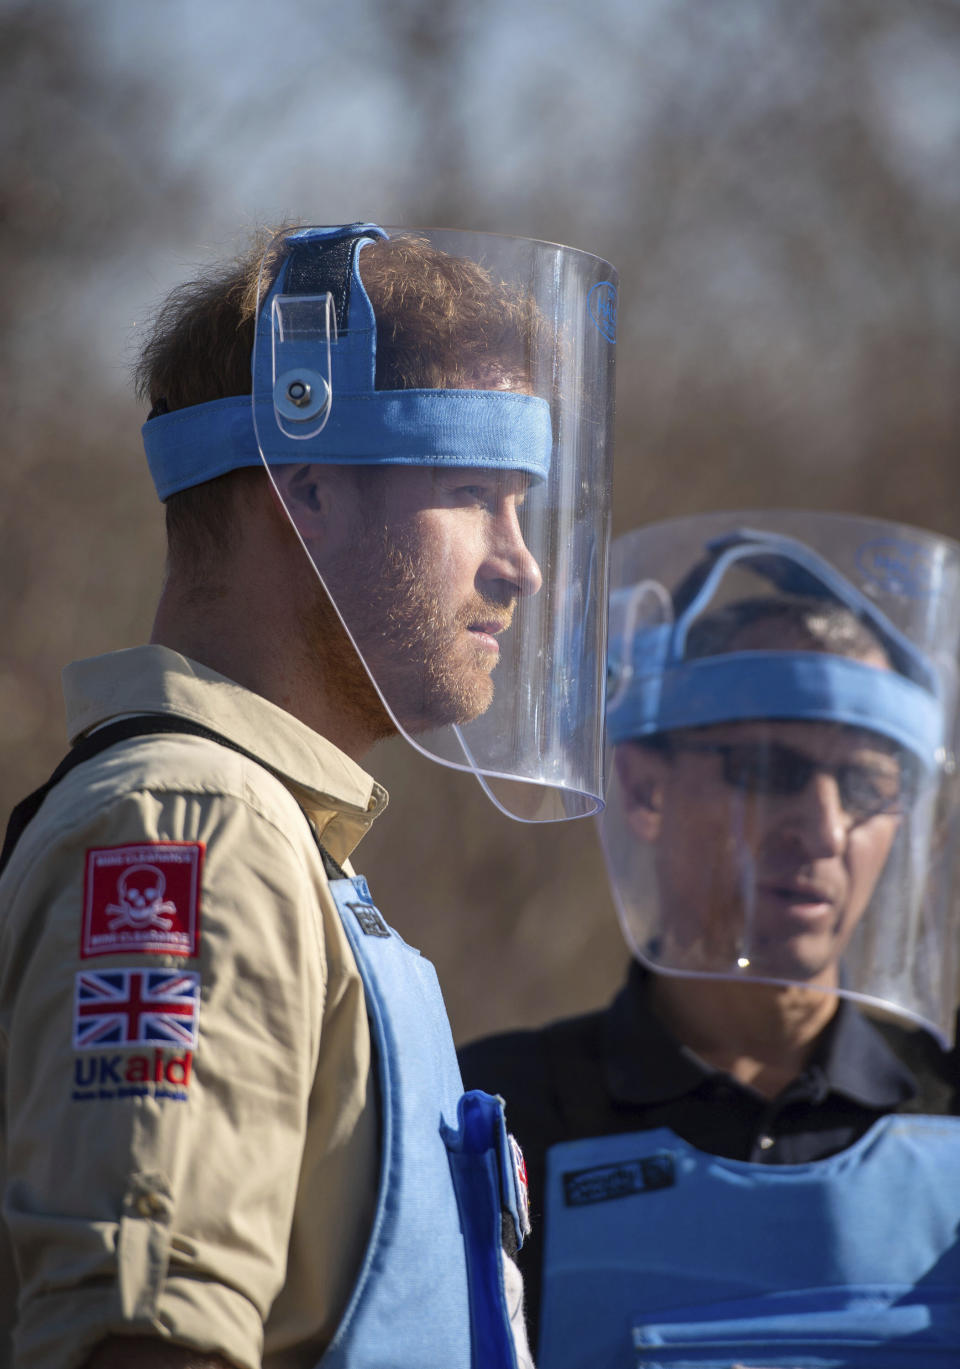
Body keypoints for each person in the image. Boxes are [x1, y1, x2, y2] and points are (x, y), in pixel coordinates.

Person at [0, 222, 618, 1368]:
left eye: (524, 503)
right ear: (309, 491)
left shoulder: (279, 839)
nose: (520, 561)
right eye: (474, 490)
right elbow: (143, 1343)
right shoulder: (194, 827)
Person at [460, 513, 960, 1369]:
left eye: (870, 782)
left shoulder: (947, 1113)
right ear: (644, 789)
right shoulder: (500, 1116)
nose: (825, 828)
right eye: (770, 771)